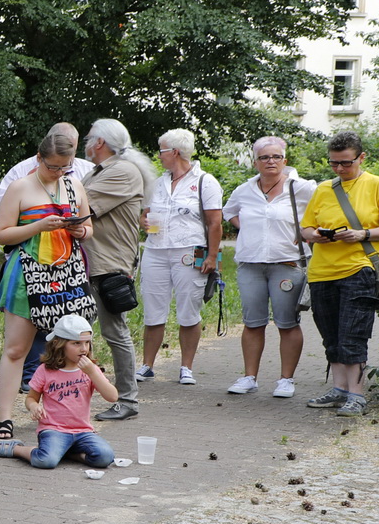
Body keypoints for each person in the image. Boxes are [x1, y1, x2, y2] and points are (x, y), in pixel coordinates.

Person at [0, 129, 95, 442]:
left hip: (67, 275)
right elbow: (2, 234)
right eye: (53, 167)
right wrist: (38, 226)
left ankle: (66, 416)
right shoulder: (20, 187)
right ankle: (5, 419)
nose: (59, 172)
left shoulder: (74, 185)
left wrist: (81, 232)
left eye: (65, 167)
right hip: (28, 275)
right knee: (16, 349)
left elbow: (89, 227)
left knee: (69, 347)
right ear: (39, 158)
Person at [299, 131, 379, 417]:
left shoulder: (378, 185)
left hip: (360, 269)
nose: (340, 169)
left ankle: (356, 395)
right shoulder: (324, 189)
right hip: (321, 272)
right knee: (330, 334)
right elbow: (306, 227)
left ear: (361, 157)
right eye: (334, 163)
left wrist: (363, 234)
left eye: (346, 163)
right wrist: (314, 235)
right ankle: (339, 389)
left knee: (353, 334)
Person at [221, 135, 316, 399]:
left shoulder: (302, 188)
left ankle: (286, 380)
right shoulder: (244, 190)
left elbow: (323, 211)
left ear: (285, 160)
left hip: (287, 263)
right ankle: (249, 377)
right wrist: (249, 229)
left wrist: (308, 232)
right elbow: (229, 212)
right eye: (264, 157)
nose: (270, 161)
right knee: (253, 323)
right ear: (255, 163)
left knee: (287, 323)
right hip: (251, 264)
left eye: (276, 156)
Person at [79, 118, 153, 421]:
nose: (85, 143)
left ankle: (127, 400)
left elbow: (79, 208)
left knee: (114, 332)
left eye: (89, 138)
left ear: (100, 142)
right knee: (79, 331)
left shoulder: (122, 171)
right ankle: (76, 395)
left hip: (107, 264)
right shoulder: (99, 171)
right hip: (91, 262)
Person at [138, 128, 223, 384]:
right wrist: (145, 223)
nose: (159, 155)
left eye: (161, 151)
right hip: (155, 250)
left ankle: (186, 367)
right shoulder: (157, 182)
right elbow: (145, 215)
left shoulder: (205, 181)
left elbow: (215, 223)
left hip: (189, 251)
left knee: (189, 310)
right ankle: (147, 365)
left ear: (175, 152)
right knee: (153, 311)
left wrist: (212, 256)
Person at [0, 314, 118, 469]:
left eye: (87, 343)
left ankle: (66, 453)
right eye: (76, 343)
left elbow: (113, 396)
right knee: (46, 461)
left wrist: (92, 372)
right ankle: (15, 449)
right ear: (59, 344)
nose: (84, 349)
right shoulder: (45, 370)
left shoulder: (90, 370)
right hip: (53, 430)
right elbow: (31, 398)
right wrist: (34, 406)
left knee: (105, 457)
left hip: (83, 431)